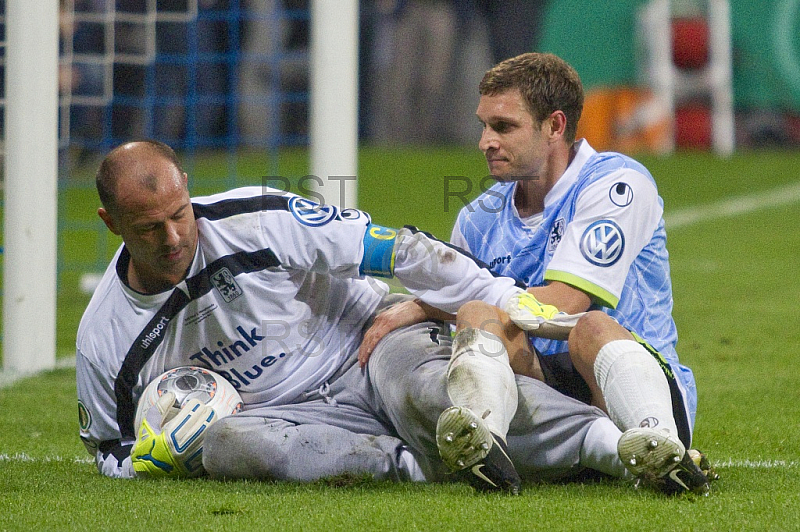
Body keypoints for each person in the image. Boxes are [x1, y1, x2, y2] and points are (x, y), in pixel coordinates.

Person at [76, 140, 629, 489]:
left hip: (367, 345)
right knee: (227, 446)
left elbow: (394, 249)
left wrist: (501, 296)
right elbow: (109, 448)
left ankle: (615, 449)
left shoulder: (257, 220)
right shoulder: (105, 336)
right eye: (150, 228)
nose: (173, 238)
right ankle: (421, 466)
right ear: (111, 223)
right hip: (293, 419)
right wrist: (154, 457)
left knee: (439, 391)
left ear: (188, 192)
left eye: (179, 215)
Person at [360, 52, 712, 495]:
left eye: (503, 127)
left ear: (555, 126)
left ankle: (661, 443)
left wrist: (426, 302)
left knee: (589, 326)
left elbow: (566, 301)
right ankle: (484, 447)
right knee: (474, 314)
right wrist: (424, 307)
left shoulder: (617, 184)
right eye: (483, 125)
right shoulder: (477, 217)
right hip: (550, 395)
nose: (485, 141)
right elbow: (472, 307)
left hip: (627, 383)